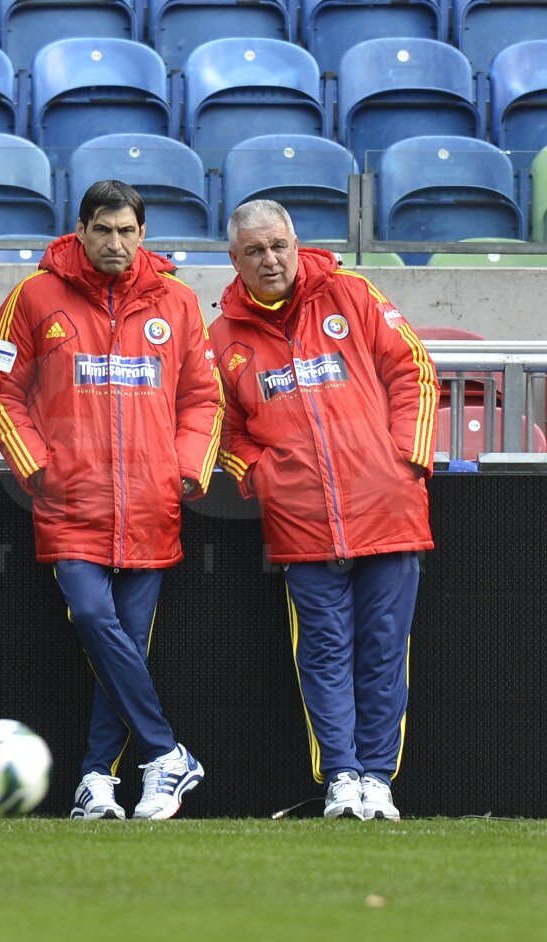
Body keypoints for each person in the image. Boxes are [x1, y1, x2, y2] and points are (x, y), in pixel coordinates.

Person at [0, 179, 224, 821]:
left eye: (128, 231)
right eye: (103, 230)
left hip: (152, 502)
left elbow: (203, 397)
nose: (116, 243)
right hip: (70, 503)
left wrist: (186, 468)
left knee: (125, 649)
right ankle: (167, 753)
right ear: (80, 230)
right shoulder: (32, 297)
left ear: (144, 235)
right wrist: (38, 466)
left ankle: (96, 780)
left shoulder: (179, 302)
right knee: (92, 620)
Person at [211, 200, 438, 821]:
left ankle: (378, 779)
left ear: (295, 242)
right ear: (234, 260)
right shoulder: (222, 337)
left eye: (278, 245)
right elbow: (223, 430)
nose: (270, 259)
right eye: (254, 251)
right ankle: (340, 776)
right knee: (324, 652)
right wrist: (264, 479)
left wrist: (402, 460)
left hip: (388, 510)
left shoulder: (352, 293)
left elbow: (414, 372)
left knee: (384, 650)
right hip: (301, 525)